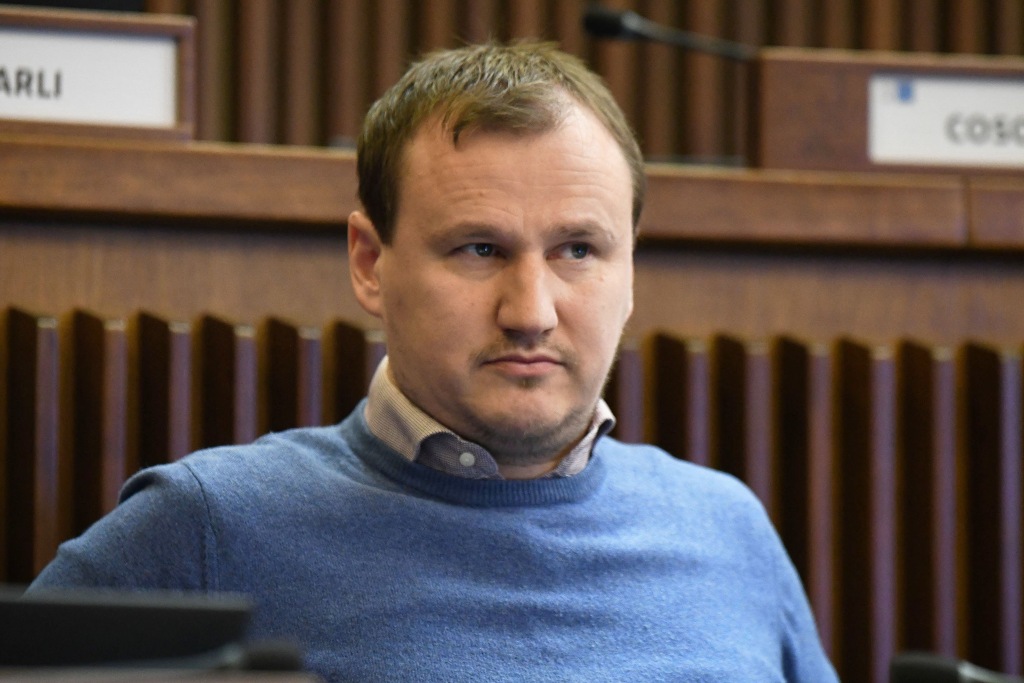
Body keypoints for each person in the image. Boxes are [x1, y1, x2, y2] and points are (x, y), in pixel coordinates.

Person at [29, 42, 838, 681]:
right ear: (370, 262)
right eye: (479, 249)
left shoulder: (728, 526)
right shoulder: (207, 527)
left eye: (578, 250)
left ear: (630, 270)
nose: (531, 311)